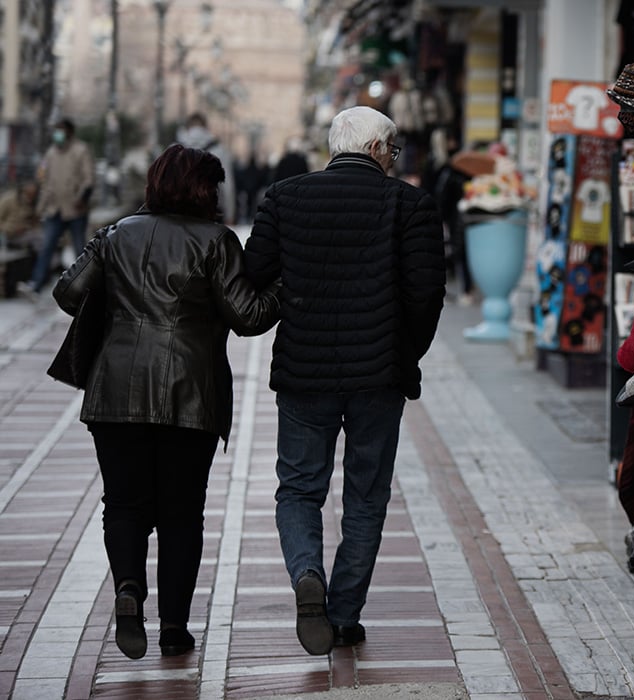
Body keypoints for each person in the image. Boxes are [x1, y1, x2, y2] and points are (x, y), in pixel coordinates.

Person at [52, 144, 280, 660]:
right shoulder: (217, 241)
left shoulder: (115, 234)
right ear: (203, 188)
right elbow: (248, 317)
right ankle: (174, 626)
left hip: (113, 393)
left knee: (124, 504)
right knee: (182, 513)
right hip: (189, 394)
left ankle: (129, 589)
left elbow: (68, 294)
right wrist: (286, 287)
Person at [244, 106, 446, 655]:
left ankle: (307, 573)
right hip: (379, 376)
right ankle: (344, 615)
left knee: (299, 488)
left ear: (337, 148)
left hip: (304, 373)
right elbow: (427, 294)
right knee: (365, 496)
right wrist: (405, 352)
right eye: (394, 151)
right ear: (380, 148)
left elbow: (254, 274)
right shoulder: (410, 205)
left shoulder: (284, 197)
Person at [18, 118, 94, 298]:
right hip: (54, 210)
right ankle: (35, 285)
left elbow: (89, 178)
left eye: (61, 130)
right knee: (46, 247)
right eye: (56, 130)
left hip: (75, 209)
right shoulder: (51, 154)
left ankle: (85, 288)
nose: (57, 134)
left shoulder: (81, 150)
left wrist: (82, 197)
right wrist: (39, 210)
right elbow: (45, 183)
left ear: (70, 131)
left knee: (80, 250)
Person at [176, 112, 237, 225]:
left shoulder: (175, 149)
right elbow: (228, 185)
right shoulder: (219, 150)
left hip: (180, 211)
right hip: (212, 211)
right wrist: (230, 213)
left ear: (188, 126)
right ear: (205, 126)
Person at [0, 181, 40, 253]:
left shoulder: (33, 203)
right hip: (8, 235)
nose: (30, 197)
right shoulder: (9, 200)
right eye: (28, 194)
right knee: (39, 239)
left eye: (33, 195)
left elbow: (35, 224)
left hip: (26, 234)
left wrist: (28, 226)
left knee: (42, 238)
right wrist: (11, 229)